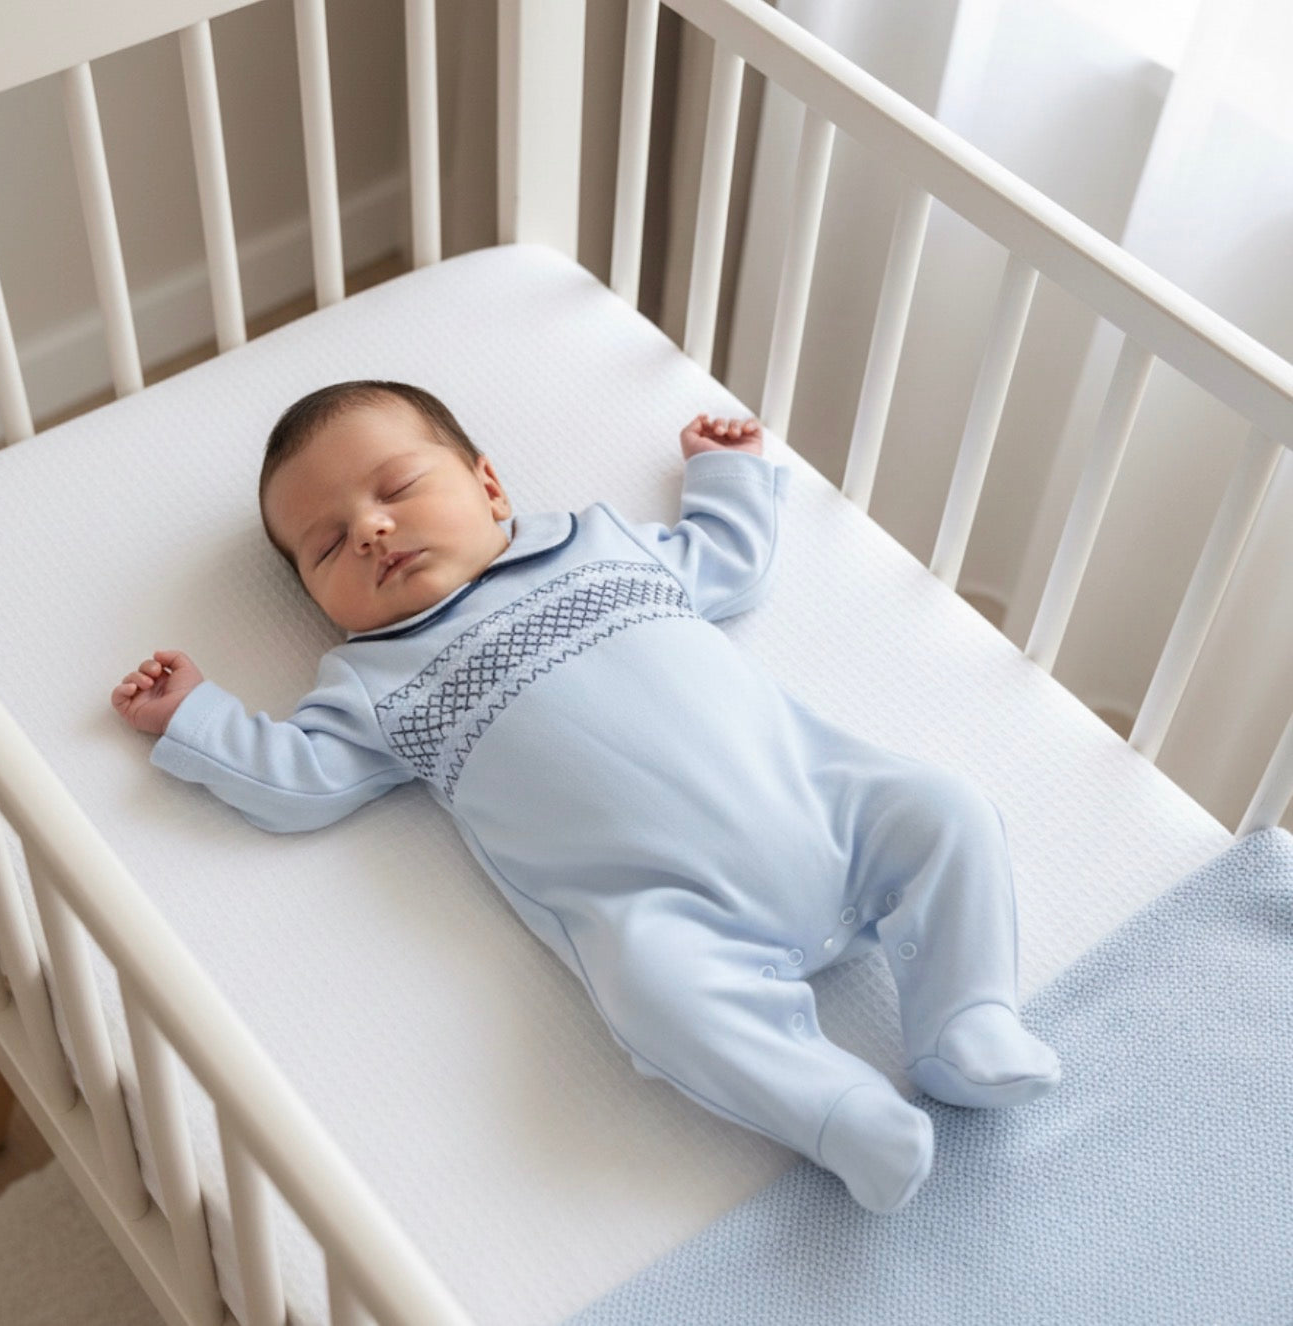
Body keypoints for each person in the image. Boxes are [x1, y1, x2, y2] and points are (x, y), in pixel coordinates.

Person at [111, 380, 1060, 1214]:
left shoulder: (600, 547)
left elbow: (725, 562)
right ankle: (836, 1111)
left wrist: (727, 475)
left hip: (831, 813)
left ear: (488, 485)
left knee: (945, 811)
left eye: (396, 489)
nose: (370, 529)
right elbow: (298, 780)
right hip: (665, 915)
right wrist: (195, 715)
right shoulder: (377, 683)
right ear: (320, 602)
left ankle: (965, 1022)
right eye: (326, 548)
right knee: (653, 992)